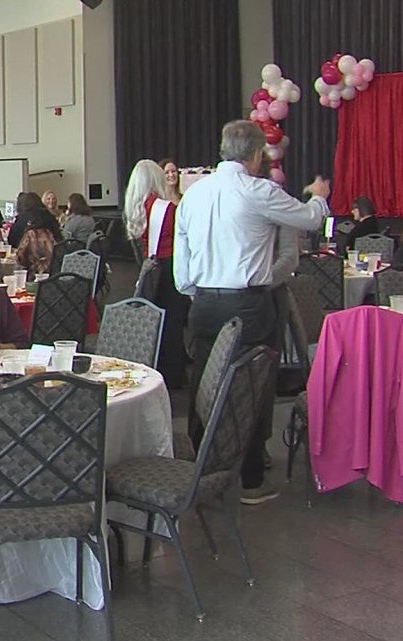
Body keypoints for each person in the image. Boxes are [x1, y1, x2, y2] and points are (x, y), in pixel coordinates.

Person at [175, 120, 330, 505]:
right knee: (252, 386)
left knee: (205, 384)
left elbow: (183, 264)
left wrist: (196, 293)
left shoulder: (193, 195)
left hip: (204, 304)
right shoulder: (259, 191)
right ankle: (249, 478)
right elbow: (311, 219)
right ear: (258, 154)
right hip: (248, 304)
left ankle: (204, 465)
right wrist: (319, 196)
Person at [124, 159, 190, 388]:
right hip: (169, 269)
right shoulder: (164, 208)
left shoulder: (134, 209)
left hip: (149, 271)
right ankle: (172, 377)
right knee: (172, 325)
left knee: (155, 323)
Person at [14, 208, 58, 275]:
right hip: (53, 274)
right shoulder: (53, 234)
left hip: (34, 273)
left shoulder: (31, 234)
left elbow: (20, 257)